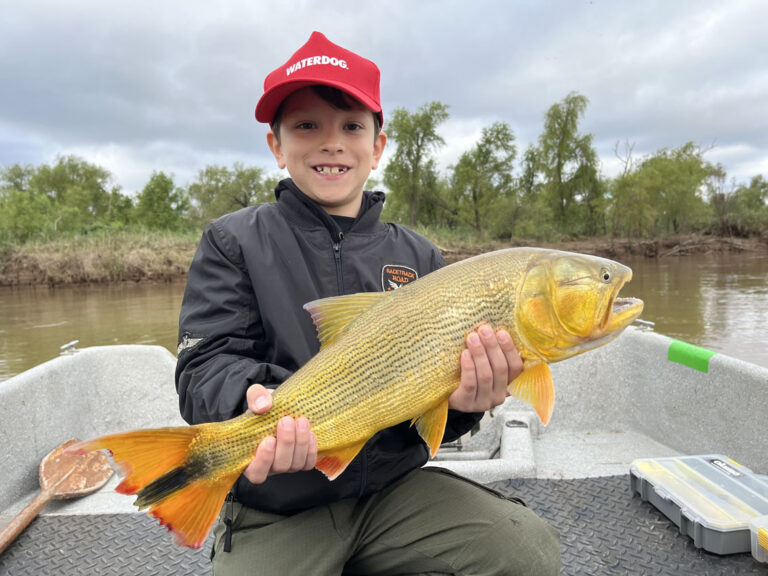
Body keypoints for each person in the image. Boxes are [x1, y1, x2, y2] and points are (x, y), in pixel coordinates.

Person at [176, 31, 560, 575]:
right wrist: (253, 406)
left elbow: (433, 422)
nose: (332, 142)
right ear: (276, 145)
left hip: (393, 492)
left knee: (529, 550)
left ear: (377, 146)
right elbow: (203, 368)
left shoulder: (421, 256)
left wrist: (468, 405)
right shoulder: (233, 241)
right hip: (279, 501)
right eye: (307, 124)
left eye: (352, 126)